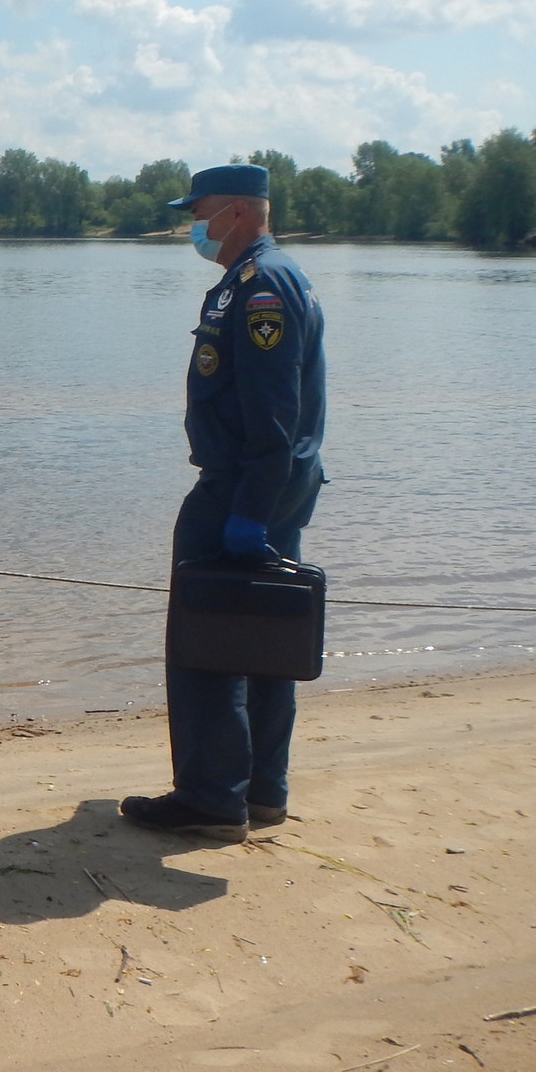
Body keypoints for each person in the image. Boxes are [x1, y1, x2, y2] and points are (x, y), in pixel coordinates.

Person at [121, 164, 326, 841]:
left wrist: (247, 508)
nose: (193, 224)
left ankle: (212, 798)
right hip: (266, 484)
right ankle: (261, 790)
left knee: (208, 639)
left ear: (237, 210)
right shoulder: (256, 279)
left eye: (199, 211)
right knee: (265, 630)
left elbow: (273, 411)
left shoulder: (262, 287)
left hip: (243, 485)